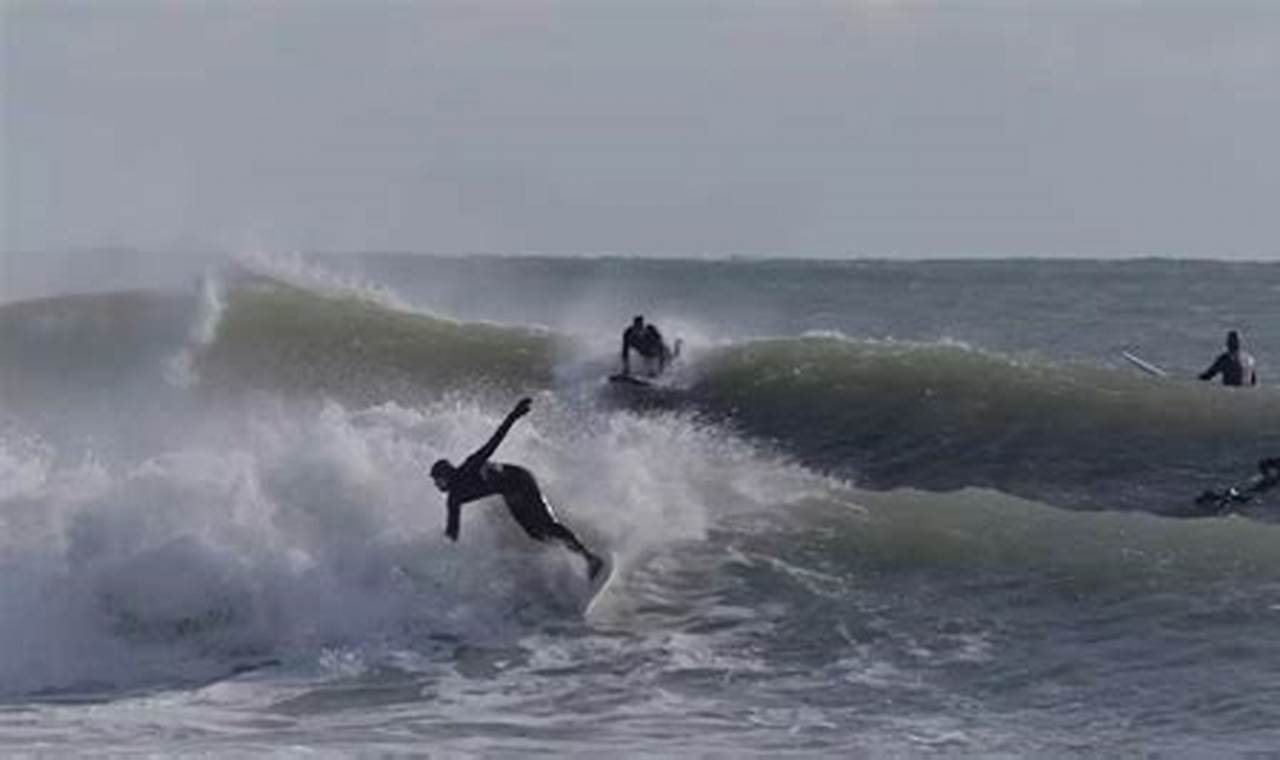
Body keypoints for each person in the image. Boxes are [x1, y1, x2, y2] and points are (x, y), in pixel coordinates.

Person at [430, 397, 604, 579]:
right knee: (535, 534)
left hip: (521, 479)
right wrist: (441, 558)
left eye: (437, 481)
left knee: (546, 524)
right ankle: (573, 555)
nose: (437, 485)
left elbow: (493, 442)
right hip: (509, 493)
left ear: (446, 476)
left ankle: (589, 557)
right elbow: (452, 534)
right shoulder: (454, 499)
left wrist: (513, 415)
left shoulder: (470, 466)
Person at [1195, 456, 1280, 513]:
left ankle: (1216, 499)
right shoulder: (1265, 478)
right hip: (1252, 492)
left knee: (1238, 495)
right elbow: (1264, 464)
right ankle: (1216, 500)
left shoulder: (1266, 478)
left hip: (1254, 491)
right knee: (1237, 495)